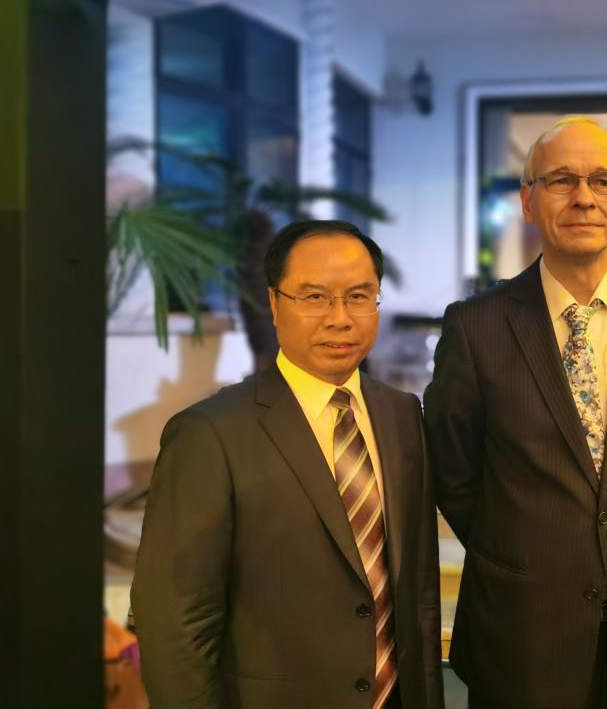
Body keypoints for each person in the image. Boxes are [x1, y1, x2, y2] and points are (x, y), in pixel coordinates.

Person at [424, 117, 607, 709]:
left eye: (603, 181)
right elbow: (453, 472)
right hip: (524, 625)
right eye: (561, 180)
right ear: (528, 201)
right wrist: (526, 546)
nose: (584, 197)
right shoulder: (475, 326)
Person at [132, 220, 443, 709]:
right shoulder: (210, 434)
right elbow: (174, 623)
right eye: (315, 297)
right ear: (275, 303)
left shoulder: (402, 414)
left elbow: (417, 591)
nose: (340, 318)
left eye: (359, 297)